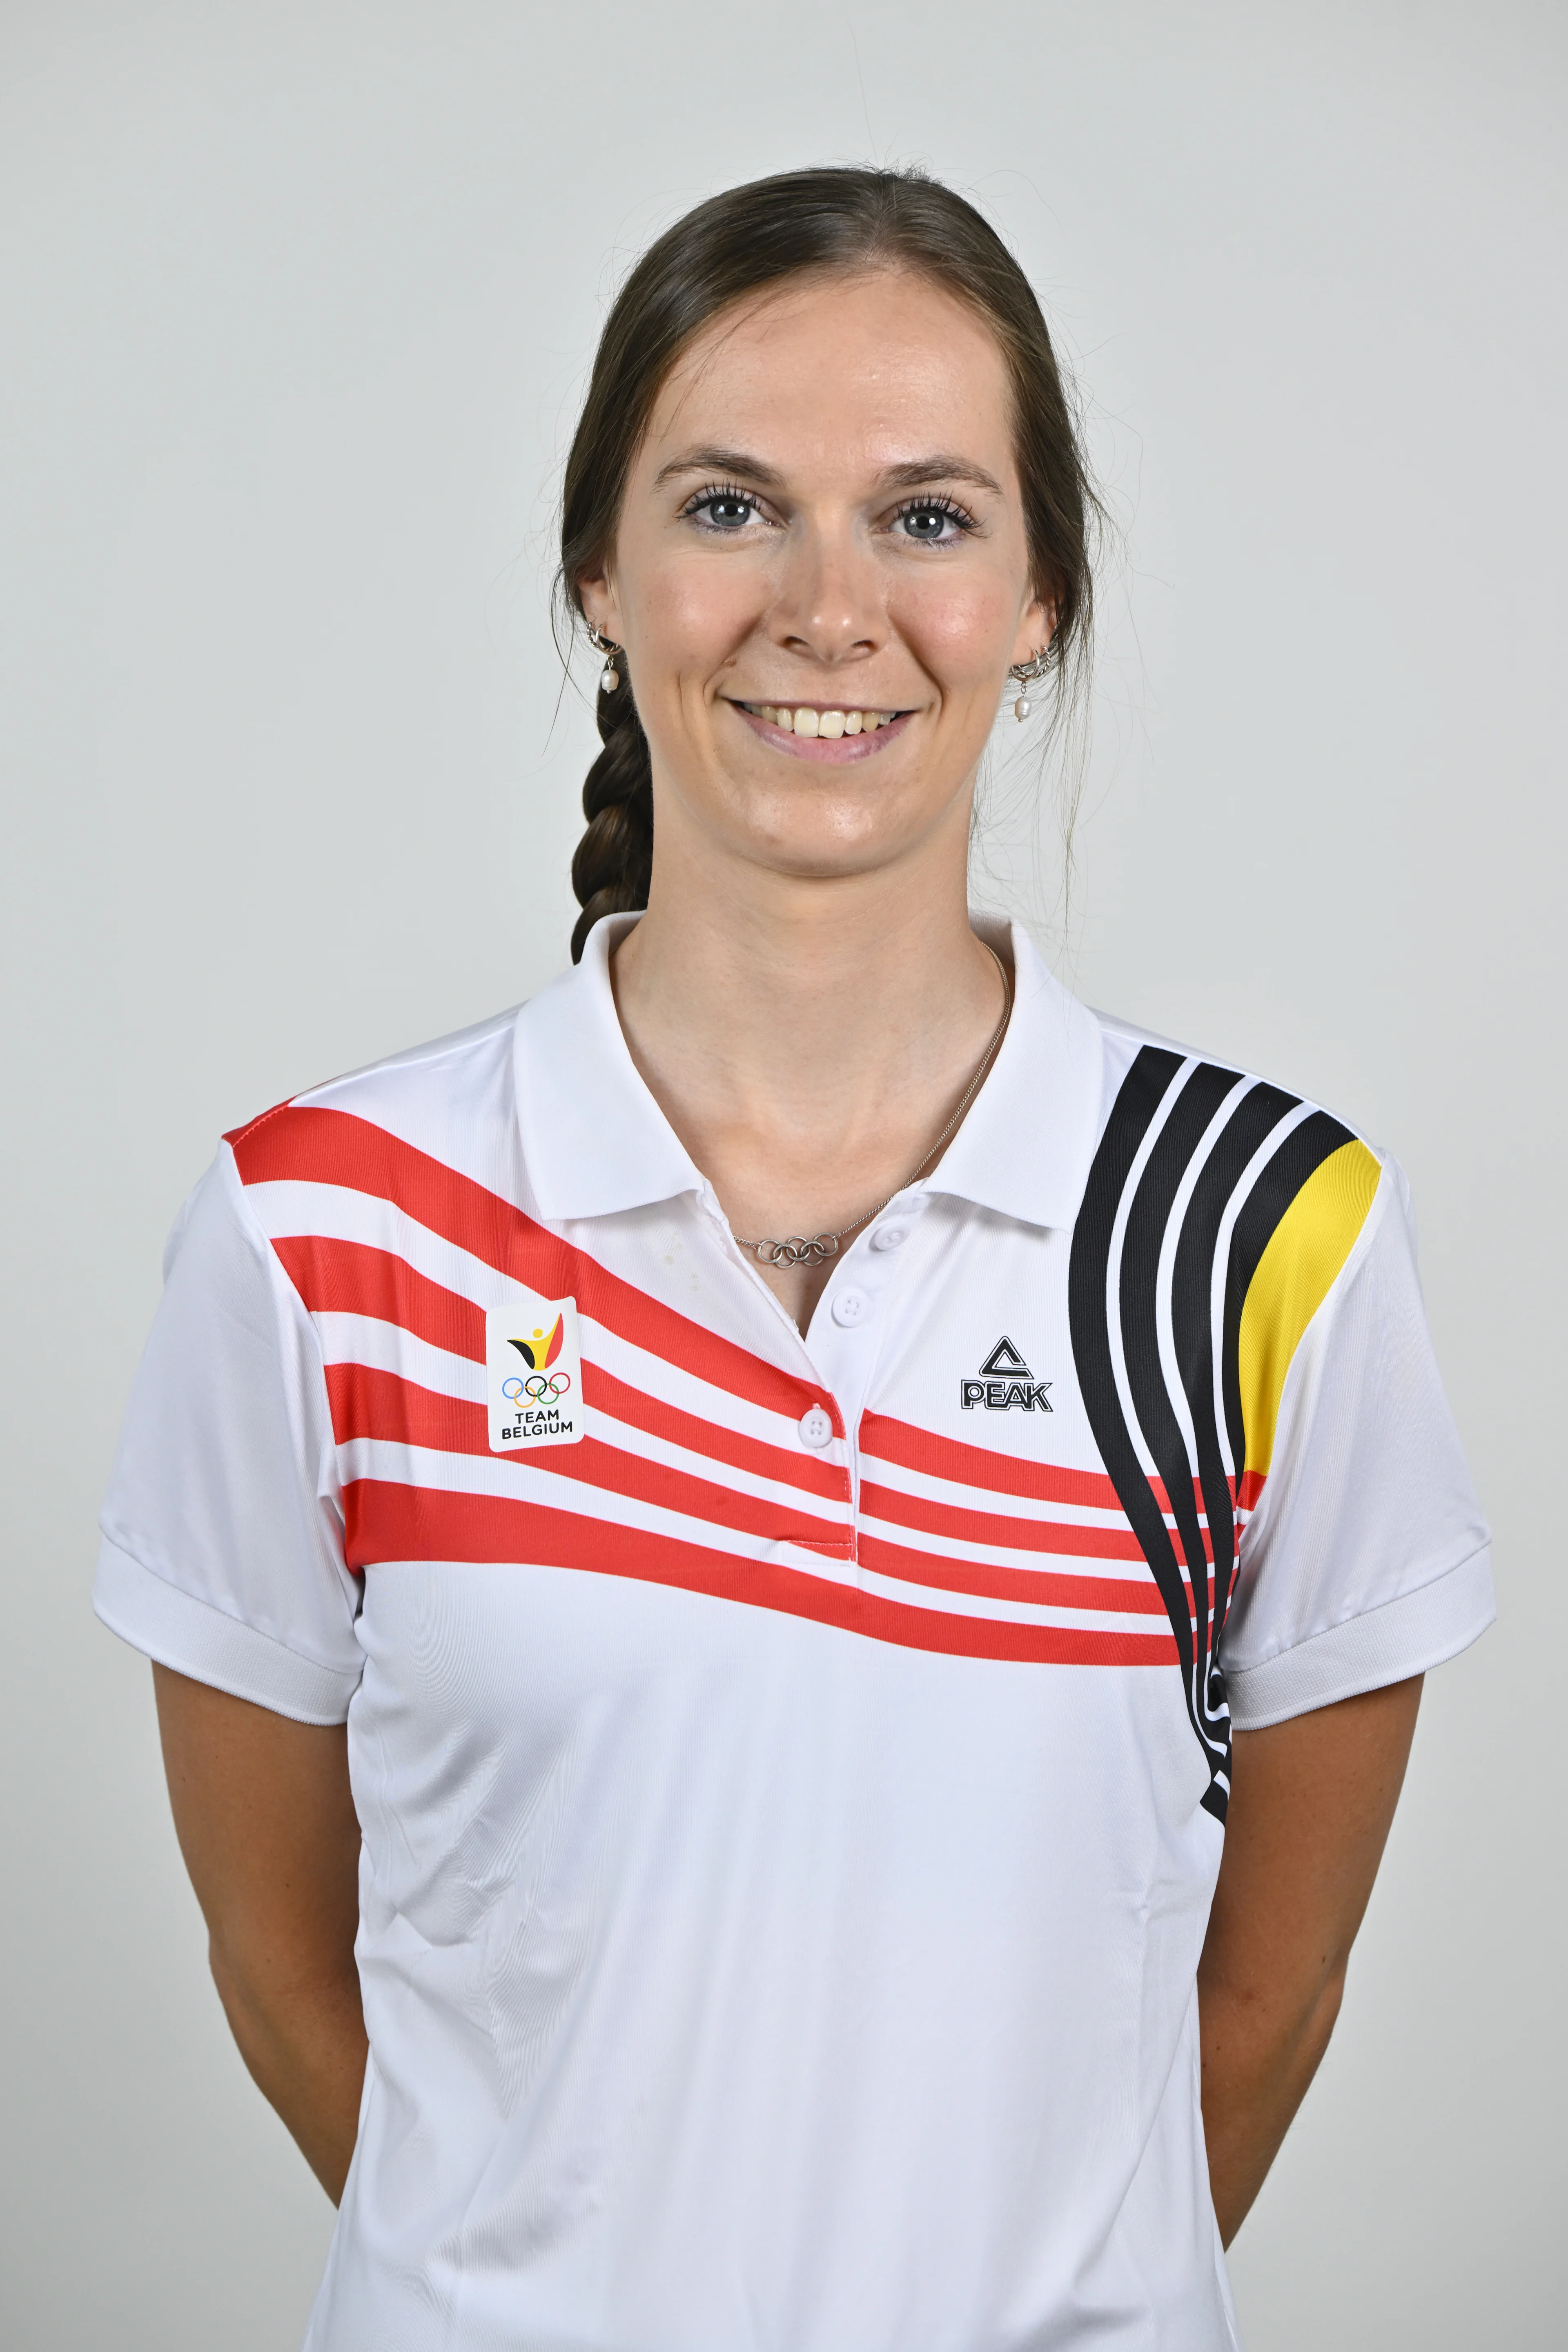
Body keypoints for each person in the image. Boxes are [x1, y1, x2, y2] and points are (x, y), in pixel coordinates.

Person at [95, 166, 1493, 2351]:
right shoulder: (317, 1229)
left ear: (1041, 595)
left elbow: (1270, 1991)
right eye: (732, 504)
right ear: (603, 569)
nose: (828, 607)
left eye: (928, 517)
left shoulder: (1263, 1234)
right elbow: (284, 1970)